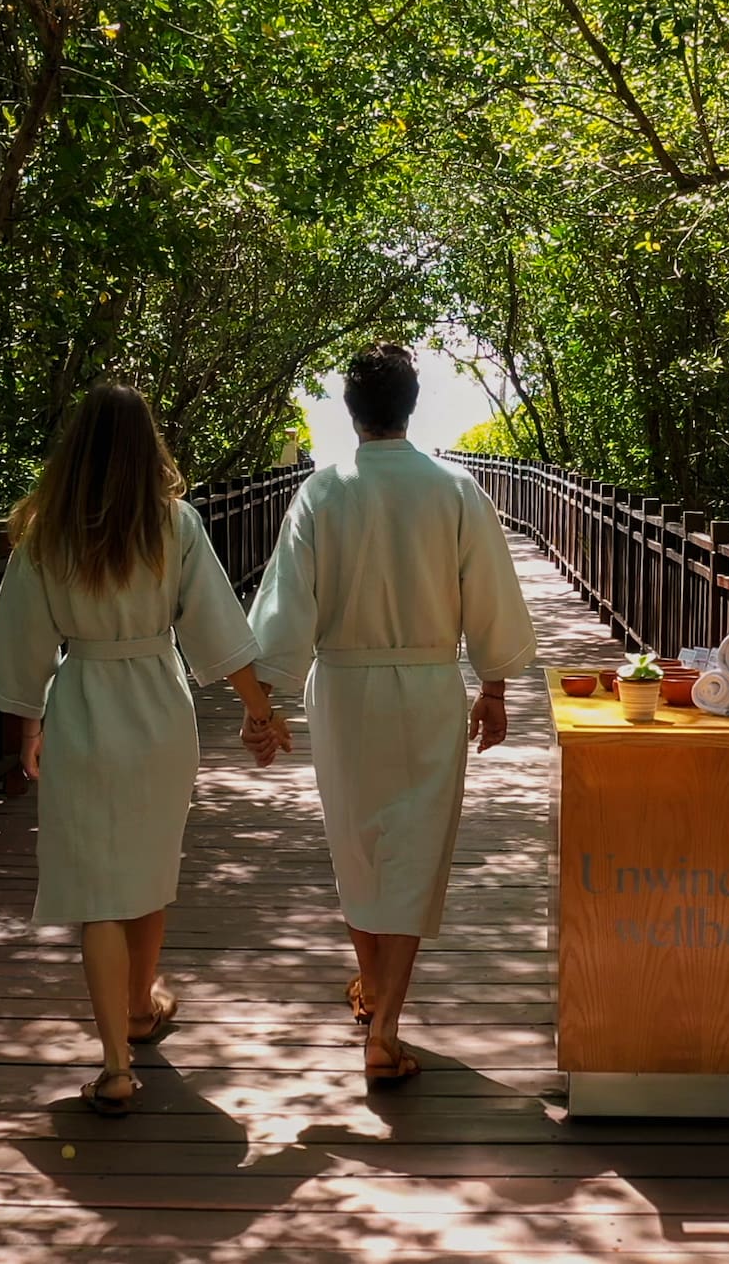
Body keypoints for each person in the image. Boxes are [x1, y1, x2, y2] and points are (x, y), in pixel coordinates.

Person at [0, 383, 291, 1116]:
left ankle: (118, 1061)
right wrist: (260, 713)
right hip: (157, 707)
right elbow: (216, 626)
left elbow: (23, 648)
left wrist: (31, 728)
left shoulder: (45, 535)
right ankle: (142, 1008)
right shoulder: (172, 524)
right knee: (149, 868)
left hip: (83, 704)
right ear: (149, 448)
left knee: (97, 895)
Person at [245, 344, 536, 1083]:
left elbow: (286, 608)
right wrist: (495, 687)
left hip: (343, 687)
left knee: (357, 844)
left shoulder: (323, 491)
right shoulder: (456, 489)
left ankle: (373, 990)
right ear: (411, 406)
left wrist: (265, 701)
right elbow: (493, 599)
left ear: (351, 410)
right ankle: (388, 1021)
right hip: (429, 685)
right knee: (415, 849)